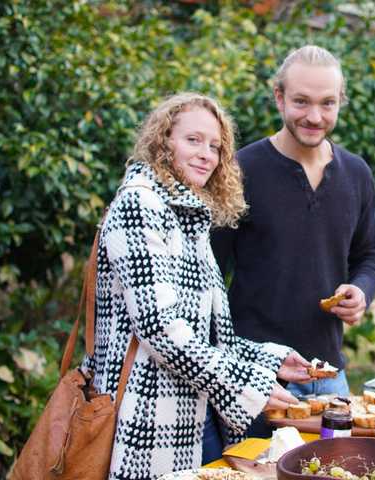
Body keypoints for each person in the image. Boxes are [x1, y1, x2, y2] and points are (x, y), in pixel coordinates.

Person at [82, 92, 310, 480]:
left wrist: (269, 361)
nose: (208, 154)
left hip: (194, 413)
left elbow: (205, 336)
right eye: (193, 140)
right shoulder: (141, 205)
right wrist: (244, 384)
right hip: (149, 418)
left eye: (216, 146)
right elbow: (161, 329)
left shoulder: (186, 214)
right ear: (163, 141)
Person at [212, 45, 375, 401]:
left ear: (340, 102)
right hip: (257, 378)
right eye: (301, 101)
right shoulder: (241, 170)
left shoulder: (356, 173)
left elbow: (369, 256)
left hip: (328, 374)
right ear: (279, 98)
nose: (315, 116)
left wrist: (361, 291)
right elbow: (210, 272)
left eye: (327, 103)